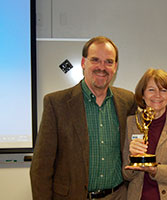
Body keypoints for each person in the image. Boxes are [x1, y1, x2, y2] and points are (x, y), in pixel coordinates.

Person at [30, 36, 136, 200]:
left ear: (115, 67)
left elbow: (149, 125)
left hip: (118, 195)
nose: (102, 67)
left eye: (108, 61)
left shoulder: (128, 101)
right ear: (83, 62)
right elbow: (41, 167)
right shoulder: (56, 103)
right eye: (95, 60)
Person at [122, 68, 167, 200]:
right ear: (142, 94)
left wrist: (156, 171)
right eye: (151, 90)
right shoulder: (130, 123)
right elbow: (126, 175)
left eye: (163, 90)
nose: (157, 95)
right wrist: (132, 158)